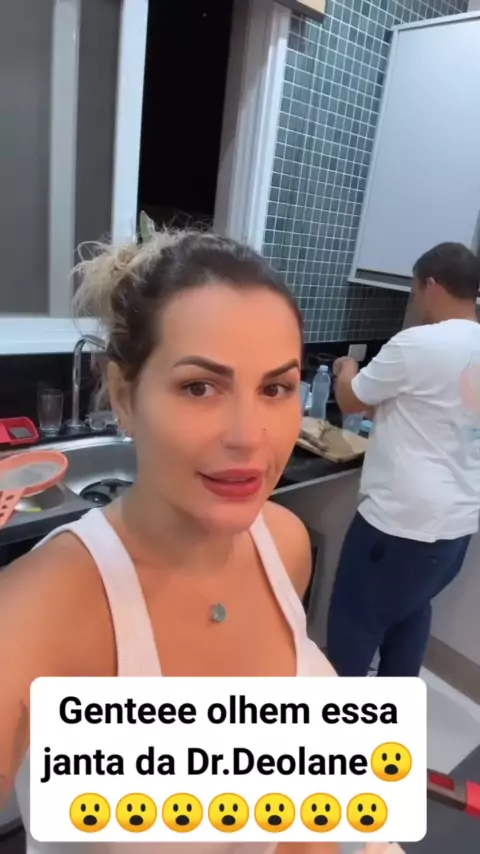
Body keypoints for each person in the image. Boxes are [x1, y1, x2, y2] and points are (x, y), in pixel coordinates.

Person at [0, 230, 405, 854]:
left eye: (275, 388)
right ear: (124, 396)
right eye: (199, 387)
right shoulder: (43, 609)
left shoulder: (285, 546)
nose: (248, 436)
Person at [327, 241, 480, 678]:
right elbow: (449, 411)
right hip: (456, 526)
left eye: (415, 290)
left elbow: (351, 401)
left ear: (431, 284)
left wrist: (346, 370)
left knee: (354, 625)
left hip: (398, 524)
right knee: (409, 614)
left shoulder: (418, 343)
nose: (416, 301)